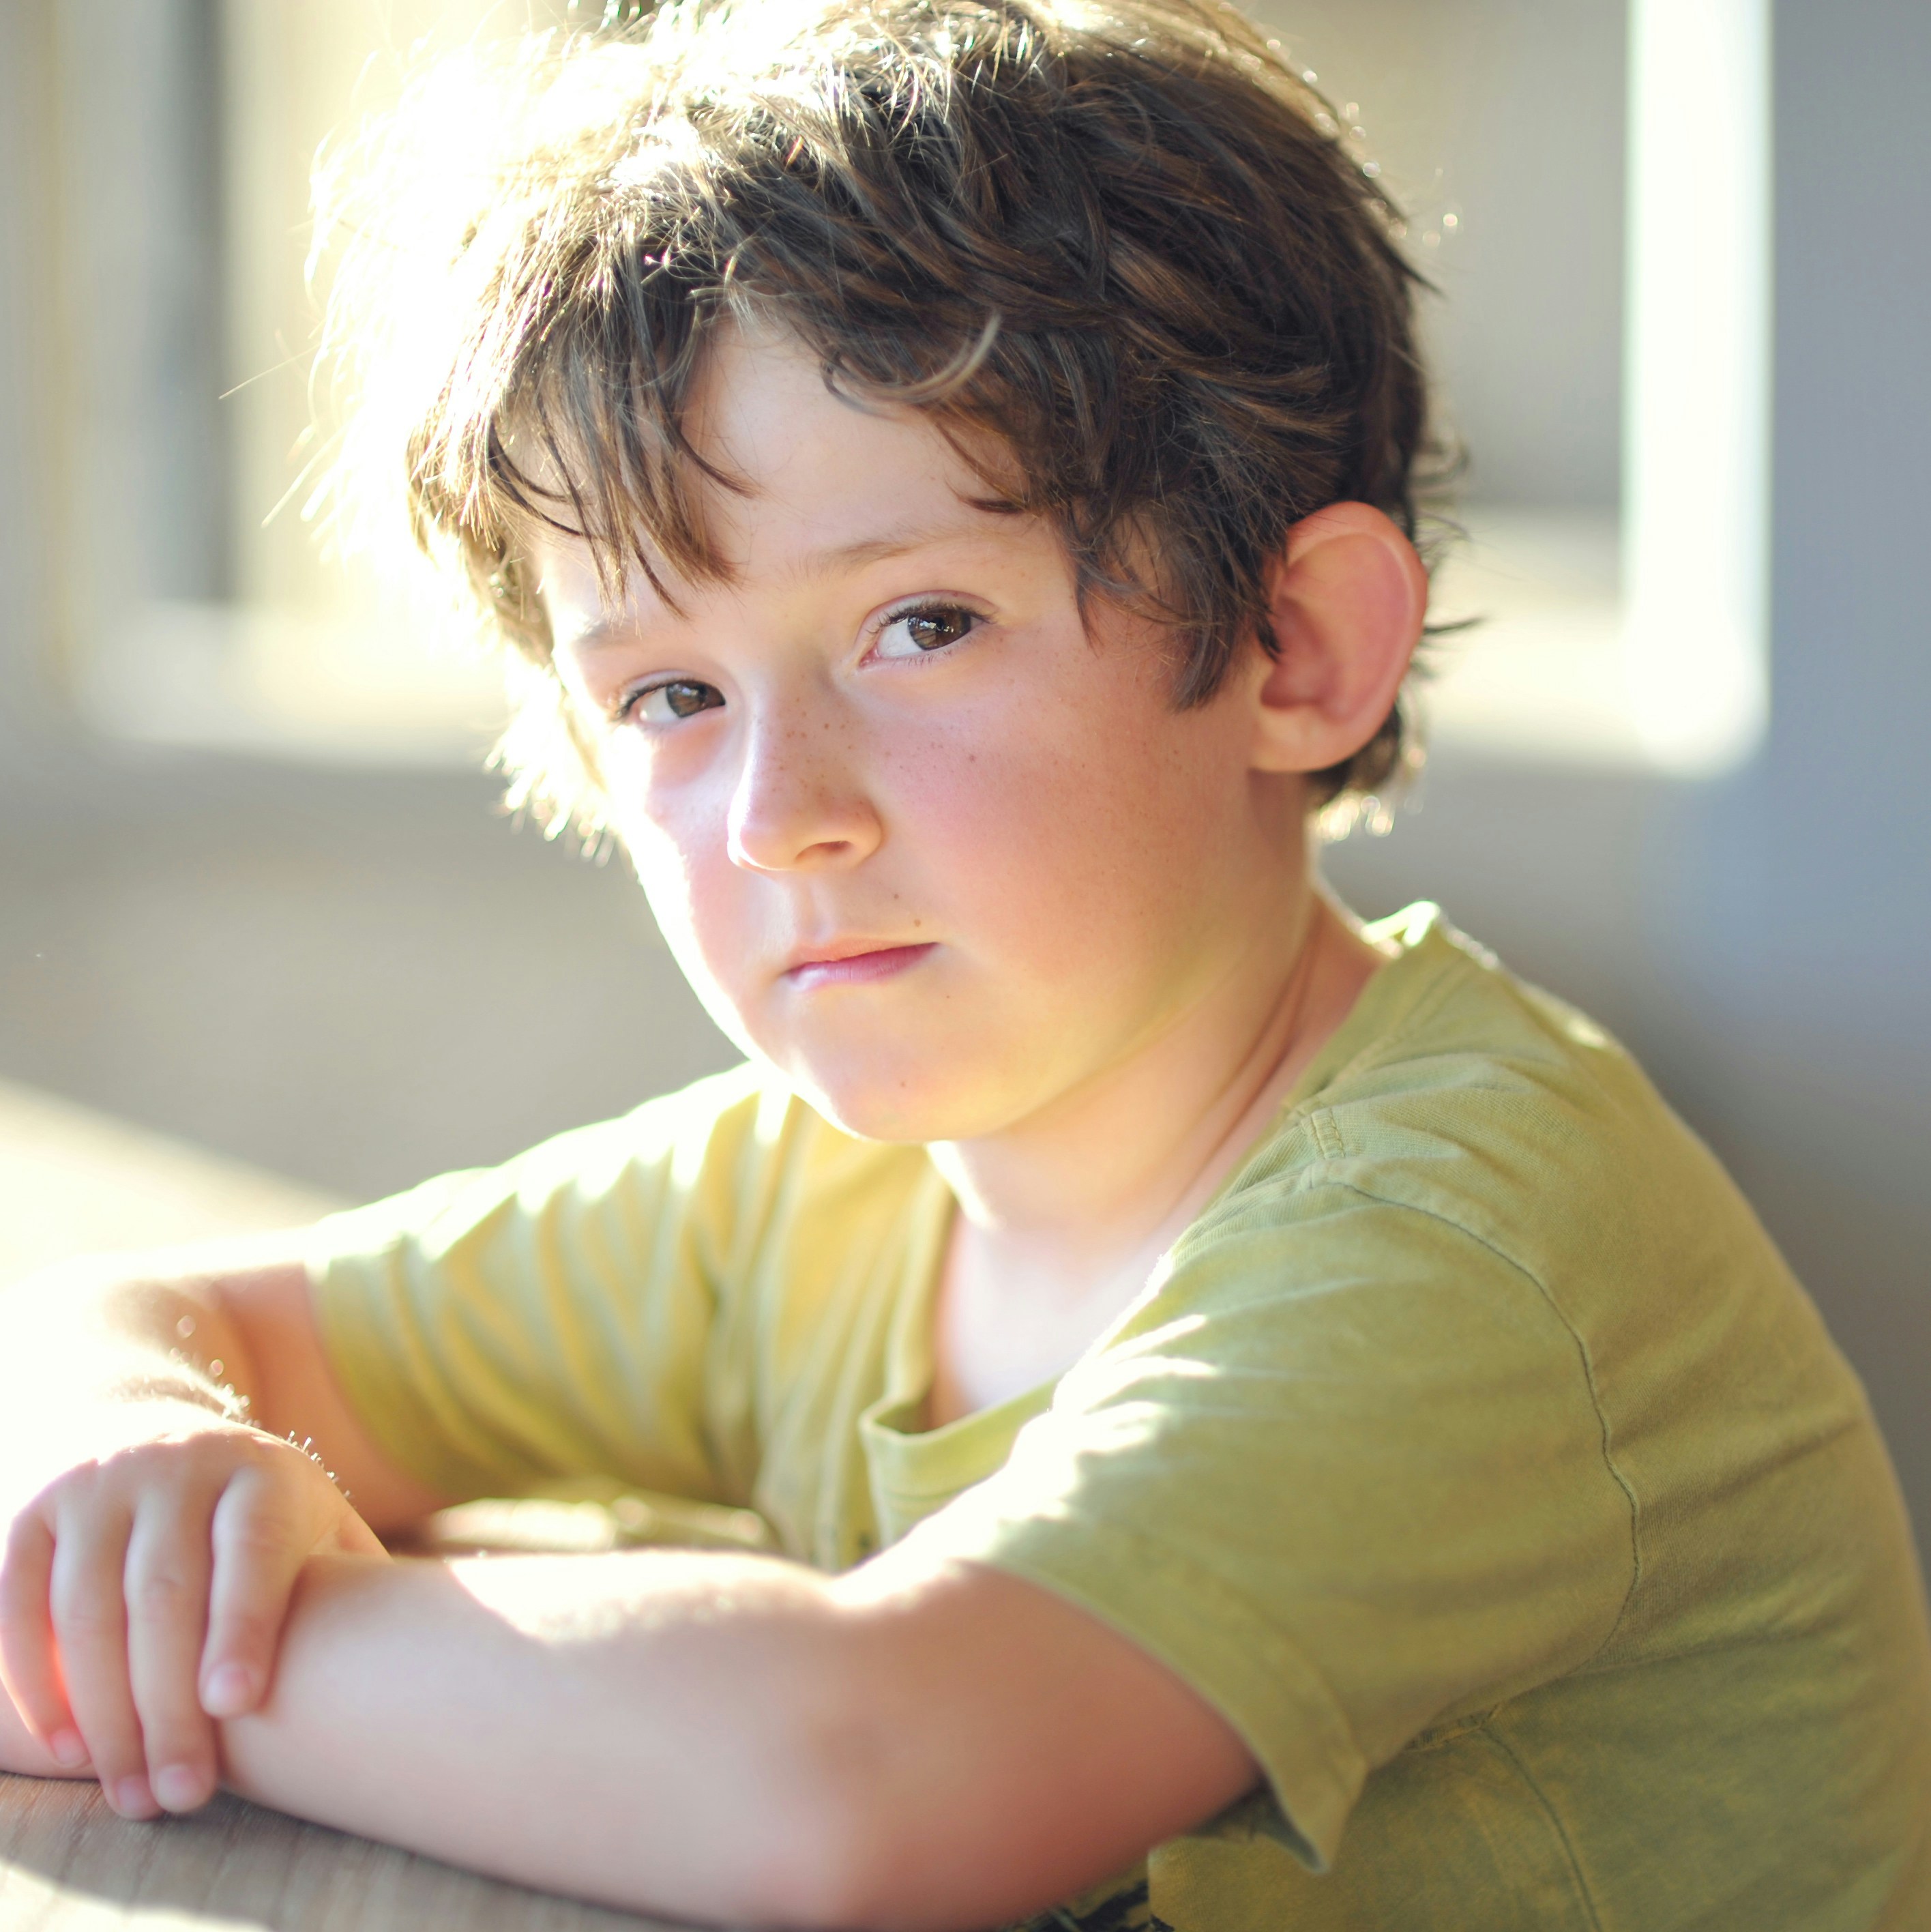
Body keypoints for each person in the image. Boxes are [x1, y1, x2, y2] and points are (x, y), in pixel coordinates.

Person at [3, 0, 1928, 1924]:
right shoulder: (809, 1200)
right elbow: (131, 1331)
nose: (779, 816)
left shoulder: (1477, 1234)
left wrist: (176, 1652)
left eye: (922, 626)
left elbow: (864, 1785)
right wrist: (140, 1464)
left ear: (1295, 646)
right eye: (669, 694)